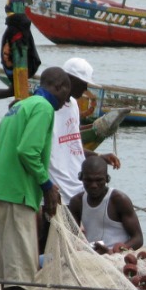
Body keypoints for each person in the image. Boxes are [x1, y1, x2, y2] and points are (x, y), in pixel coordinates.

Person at [0, 67, 72, 290]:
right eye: (67, 92)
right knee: (20, 261)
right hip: (16, 191)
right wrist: (47, 186)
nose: (67, 99)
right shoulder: (43, 108)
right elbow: (27, 151)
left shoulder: (20, 106)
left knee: (8, 261)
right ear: (61, 87)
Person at [49, 58, 121, 205]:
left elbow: (71, 144)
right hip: (58, 191)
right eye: (83, 83)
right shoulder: (48, 109)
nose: (85, 88)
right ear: (68, 80)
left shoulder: (74, 105)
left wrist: (99, 156)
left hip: (79, 188)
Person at [69, 156, 143, 254]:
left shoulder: (119, 200)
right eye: (89, 180)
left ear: (107, 179)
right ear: (81, 178)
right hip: (91, 254)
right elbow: (70, 236)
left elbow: (138, 238)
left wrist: (115, 251)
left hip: (118, 256)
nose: (94, 185)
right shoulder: (76, 202)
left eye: (99, 180)